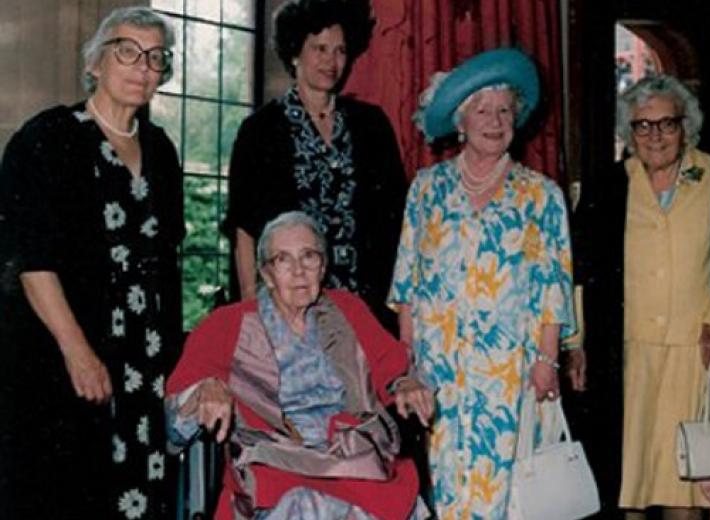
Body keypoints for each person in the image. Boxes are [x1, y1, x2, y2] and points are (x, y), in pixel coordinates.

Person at [0, 6, 183, 519]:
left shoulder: (162, 152)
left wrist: (175, 365)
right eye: (126, 51)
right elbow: (31, 259)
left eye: (155, 58)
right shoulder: (47, 138)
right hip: (62, 359)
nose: (141, 67)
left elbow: (167, 264)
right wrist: (78, 352)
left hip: (143, 368)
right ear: (94, 64)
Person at [388, 48, 577, 519]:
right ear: (460, 120)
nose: (495, 121)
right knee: (447, 490)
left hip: (511, 373)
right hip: (438, 374)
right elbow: (407, 283)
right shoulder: (426, 190)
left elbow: (554, 289)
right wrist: (405, 363)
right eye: (482, 109)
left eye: (505, 110)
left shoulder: (541, 195)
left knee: (510, 495)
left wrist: (547, 361)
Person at [166, 211, 432, 520]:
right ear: (266, 274)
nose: (299, 271)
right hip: (277, 468)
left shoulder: (348, 309)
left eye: (309, 256)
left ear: (323, 266)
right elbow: (174, 427)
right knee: (305, 504)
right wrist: (202, 392)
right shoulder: (227, 324)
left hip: (357, 461)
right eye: (283, 259)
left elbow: (393, 369)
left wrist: (406, 384)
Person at [574, 75, 710, 520]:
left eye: (667, 124)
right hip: (628, 359)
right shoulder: (608, 185)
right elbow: (580, 271)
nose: (655, 136)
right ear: (629, 131)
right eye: (643, 125)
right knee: (628, 490)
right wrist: (575, 343)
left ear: (686, 126)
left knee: (686, 495)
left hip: (696, 358)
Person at [224, 0, 406, 330]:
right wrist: (251, 307)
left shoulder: (372, 125)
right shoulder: (261, 130)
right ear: (295, 53)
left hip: (364, 305)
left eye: (339, 50)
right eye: (319, 48)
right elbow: (244, 228)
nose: (330, 61)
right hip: (288, 306)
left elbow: (397, 220)